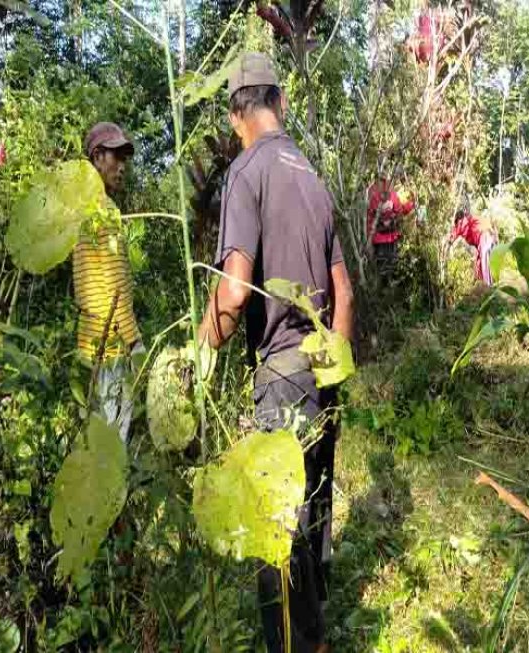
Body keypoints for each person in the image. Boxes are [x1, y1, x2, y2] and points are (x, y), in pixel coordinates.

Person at [196, 52, 354, 653]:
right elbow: (345, 291)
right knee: (308, 509)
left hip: (282, 374)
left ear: (238, 115)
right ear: (280, 104)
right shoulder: (312, 175)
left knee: (273, 531)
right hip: (320, 366)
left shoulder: (246, 170)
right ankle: (317, 637)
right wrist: (331, 365)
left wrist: (199, 356)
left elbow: (234, 289)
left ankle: (297, 644)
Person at [74, 122, 144, 442]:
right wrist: (135, 343)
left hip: (89, 345)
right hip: (113, 347)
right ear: (98, 157)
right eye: (116, 156)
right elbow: (115, 285)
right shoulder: (105, 211)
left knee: (95, 441)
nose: (122, 166)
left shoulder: (81, 211)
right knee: (115, 446)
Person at [366, 174, 415, 270]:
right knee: (388, 267)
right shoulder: (381, 192)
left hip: (384, 239)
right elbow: (399, 210)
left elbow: (398, 210)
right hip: (384, 239)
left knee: (384, 267)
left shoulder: (374, 191)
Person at [448, 203, 497, 285]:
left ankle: (489, 288)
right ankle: (492, 286)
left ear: (459, 220)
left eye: (457, 222)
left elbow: (455, 232)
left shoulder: (465, 222)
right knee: (488, 264)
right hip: (489, 237)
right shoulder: (472, 220)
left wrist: (450, 239)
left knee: (485, 265)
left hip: (485, 237)